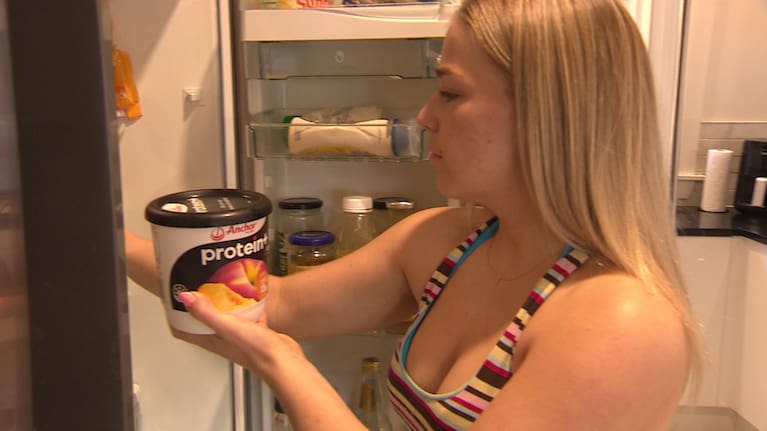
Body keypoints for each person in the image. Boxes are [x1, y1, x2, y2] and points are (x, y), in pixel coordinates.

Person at [126, 0, 702, 429]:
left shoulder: (620, 324)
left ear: (547, 114)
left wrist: (284, 366)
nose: (425, 117)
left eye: (450, 93)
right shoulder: (446, 242)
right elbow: (277, 304)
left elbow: (275, 336)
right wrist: (103, 242)